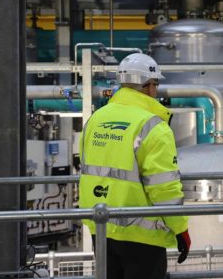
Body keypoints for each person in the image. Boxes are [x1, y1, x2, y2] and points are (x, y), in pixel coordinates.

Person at [79, 53, 190, 279]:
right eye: (156, 85)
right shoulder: (153, 126)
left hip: (101, 227)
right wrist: (180, 229)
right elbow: (163, 187)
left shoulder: (96, 119)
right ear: (149, 86)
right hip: (141, 234)